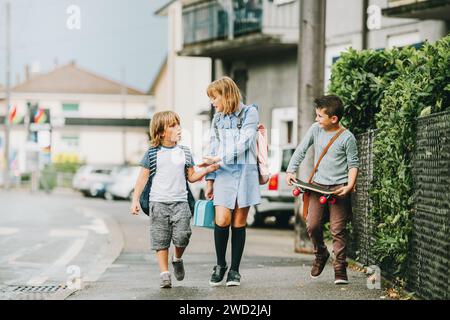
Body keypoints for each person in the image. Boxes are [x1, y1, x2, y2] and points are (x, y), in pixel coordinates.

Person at [130, 111, 219, 288]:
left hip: (181, 202)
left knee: (183, 236)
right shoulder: (152, 153)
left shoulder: (185, 152)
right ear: (161, 132)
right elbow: (142, 178)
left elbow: (192, 177)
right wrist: (135, 200)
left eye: (178, 124)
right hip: (158, 203)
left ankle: (177, 258)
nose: (178, 128)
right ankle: (164, 274)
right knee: (160, 239)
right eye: (173, 125)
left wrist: (208, 170)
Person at [285, 95, 359, 285]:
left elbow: (353, 165)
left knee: (338, 229)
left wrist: (349, 186)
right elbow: (301, 149)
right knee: (312, 225)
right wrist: (291, 170)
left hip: (338, 189)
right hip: (317, 186)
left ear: (333, 118)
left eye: (319, 116)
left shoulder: (347, 138)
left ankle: (340, 268)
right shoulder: (315, 129)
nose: (316, 119)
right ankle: (321, 253)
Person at [203, 76, 261, 287]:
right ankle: (220, 265)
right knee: (222, 220)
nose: (212, 102)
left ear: (227, 95)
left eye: (214, 97)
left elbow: (245, 142)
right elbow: (212, 146)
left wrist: (220, 158)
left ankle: (235, 271)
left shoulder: (250, 113)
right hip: (223, 174)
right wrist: (209, 179)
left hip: (246, 173)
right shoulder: (217, 118)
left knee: (238, 222)